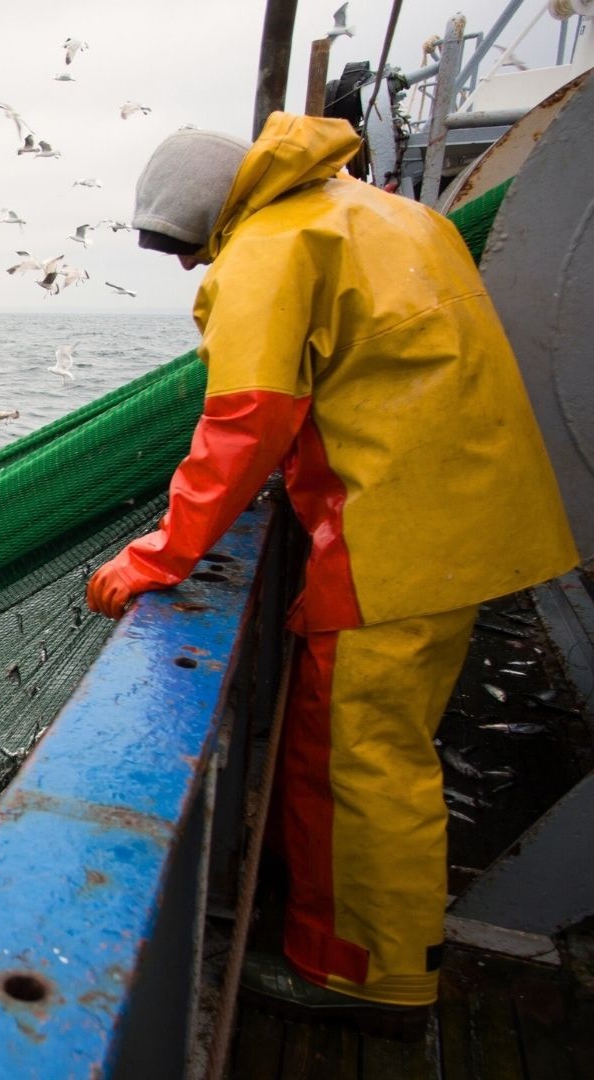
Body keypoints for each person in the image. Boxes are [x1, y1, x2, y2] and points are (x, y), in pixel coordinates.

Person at [86, 111, 578, 1032]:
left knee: (364, 763)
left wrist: (157, 555)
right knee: (377, 747)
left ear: (212, 221)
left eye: (185, 250)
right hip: (473, 513)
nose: (192, 268)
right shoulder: (386, 214)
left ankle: (368, 981)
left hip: (397, 532)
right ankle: (362, 948)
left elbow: (244, 424)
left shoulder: (271, 250)